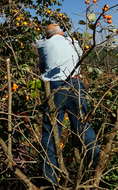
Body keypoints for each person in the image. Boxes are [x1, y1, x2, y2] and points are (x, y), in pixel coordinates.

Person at [37, 24, 100, 187]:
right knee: (82, 125)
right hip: (76, 84)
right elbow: (78, 58)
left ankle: (49, 178)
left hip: (55, 87)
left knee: (51, 132)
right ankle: (96, 164)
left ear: (48, 36)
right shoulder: (73, 42)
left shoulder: (43, 44)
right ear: (62, 33)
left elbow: (42, 66)